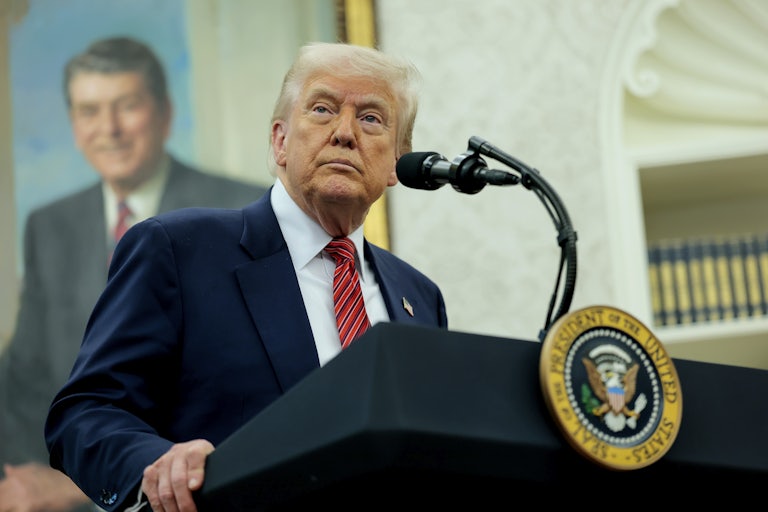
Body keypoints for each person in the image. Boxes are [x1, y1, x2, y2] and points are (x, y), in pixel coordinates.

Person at [44, 41, 447, 511]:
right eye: (322, 109)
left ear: (398, 160)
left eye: (372, 118)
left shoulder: (419, 296)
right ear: (279, 139)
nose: (344, 133)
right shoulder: (178, 250)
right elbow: (85, 413)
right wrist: (157, 465)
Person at [0, 36, 267, 512]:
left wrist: (82, 486)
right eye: (89, 111)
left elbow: (256, 389)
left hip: (202, 495)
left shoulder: (242, 211)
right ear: (73, 123)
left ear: (164, 114)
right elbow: (26, 381)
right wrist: (30, 477)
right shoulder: (49, 226)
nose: (110, 129)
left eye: (127, 106)